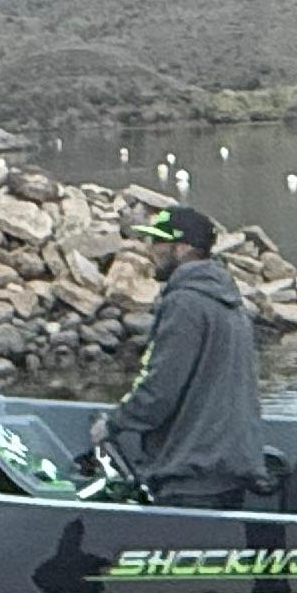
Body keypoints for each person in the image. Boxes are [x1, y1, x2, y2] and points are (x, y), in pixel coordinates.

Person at [92, 201, 266, 509]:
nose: (150, 249)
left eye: (158, 241)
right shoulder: (229, 300)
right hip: (226, 467)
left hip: (191, 474)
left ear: (182, 249)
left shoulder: (185, 303)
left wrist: (113, 424)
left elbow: (160, 388)